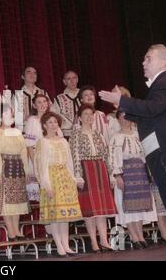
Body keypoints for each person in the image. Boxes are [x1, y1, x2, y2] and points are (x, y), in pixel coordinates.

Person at [99, 44, 166, 260]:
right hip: (162, 152)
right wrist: (122, 106)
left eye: (148, 58)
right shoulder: (159, 86)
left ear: (163, 61)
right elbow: (149, 115)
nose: (143, 62)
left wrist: (121, 100)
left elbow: (151, 109)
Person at [69, 104, 117, 252]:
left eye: (91, 114)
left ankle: (104, 240)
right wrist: (78, 175)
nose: (89, 117)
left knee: (101, 208)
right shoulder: (75, 135)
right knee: (90, 209)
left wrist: (110, 174)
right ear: (80, 118)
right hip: (86, 170)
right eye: (86, 115)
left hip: (100, 169)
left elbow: (105, 155)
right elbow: (75, 155)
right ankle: (94, 242)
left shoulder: (98, 134)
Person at [34, 112, 82, 256]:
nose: (53, 125)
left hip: (64, 177)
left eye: (55, 122)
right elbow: (41, 165)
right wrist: (46, 184)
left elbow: (69, 162)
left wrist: (73, 179)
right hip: (51, 177)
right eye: (50, 122)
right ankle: (59, 246)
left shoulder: (63, 141)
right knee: (55, 215)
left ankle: (66, 245)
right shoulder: (42, 142)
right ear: (44, 125)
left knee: (64, 215)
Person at [108, 110, 157, 249]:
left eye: (128, 117)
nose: (125, 120)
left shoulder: (137, 135)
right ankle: (134, 236)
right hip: (126, 173)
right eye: (122, 118)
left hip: (140, 172)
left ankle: (140, 235)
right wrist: (117, 175)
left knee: (140, 205)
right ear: (118, 120)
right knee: (128, 206)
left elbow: (146, 154)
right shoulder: (115, 137)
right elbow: (112, 159)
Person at [0, 107, 30, 241]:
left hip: (18, 168)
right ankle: (11, 232)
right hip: (4, 168)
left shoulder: (17, 132)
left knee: (16, 202)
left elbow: (23, 151)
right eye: (5, 113)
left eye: (10, 112)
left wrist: (26, 170)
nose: (9, 115)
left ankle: (17, 231)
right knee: (6, 202)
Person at [19, 66, 51, 132]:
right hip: (26, 130)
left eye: (34, 73)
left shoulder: (43, 92)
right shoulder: (18, 95)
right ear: (23, 76)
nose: (32, 75)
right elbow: (16, 118)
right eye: (29, 72)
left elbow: (51, 109)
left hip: (44, 129)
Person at [52, 71, 81, 139]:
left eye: (74, 78)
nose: (72, 81)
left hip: (84, 133)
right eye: (69, 79)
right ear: (64, 82)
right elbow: (55, 117)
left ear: (77, 80)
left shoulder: (84, 94)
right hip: (66, 135)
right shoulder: (59, 98)